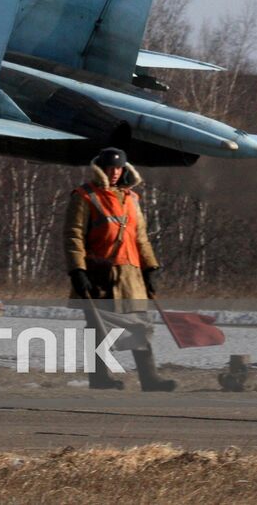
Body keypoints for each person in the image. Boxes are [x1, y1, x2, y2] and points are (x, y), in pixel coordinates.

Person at [64, 147, 176, 392]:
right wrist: (78, 271)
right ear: (100, 168)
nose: (114, 172)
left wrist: (149, 269)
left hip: (131, 274)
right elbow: (73, 237)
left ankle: (150, 378)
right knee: (99, 328)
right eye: (109, 168)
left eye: (118, 168)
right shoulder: (84, 196)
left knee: (140, 324)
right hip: (99, 275)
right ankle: (100, 378)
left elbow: (141, 237)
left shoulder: (132, 199)